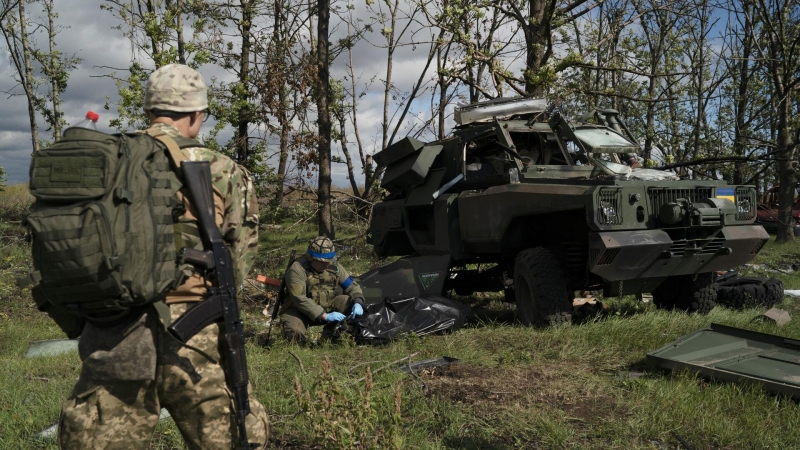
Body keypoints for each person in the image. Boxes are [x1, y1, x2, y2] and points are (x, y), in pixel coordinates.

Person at [58, 64, 269, 449]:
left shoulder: (106, 163)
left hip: (114, 332)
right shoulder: (223, 170)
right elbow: (236, 265)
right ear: (196, 114)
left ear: (149, 111)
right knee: (236, 438)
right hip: (196, 338)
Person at [280, 237, 365, 343]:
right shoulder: (297, 269)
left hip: (328, 306)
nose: (326, 265)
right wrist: (324, 316)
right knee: (294, 333)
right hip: (300, 312)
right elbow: (299, 298)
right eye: (321, 262)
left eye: (328, 261)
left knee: (347, 301)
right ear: (311, 258)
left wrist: (358, 302)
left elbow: (351, 286)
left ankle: (329, 335)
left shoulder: (334, 266)